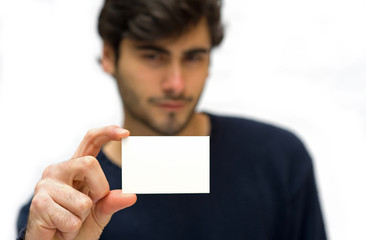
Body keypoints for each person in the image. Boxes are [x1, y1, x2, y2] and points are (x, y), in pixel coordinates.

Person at [16, 0, 327, 239]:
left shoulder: (278, 159)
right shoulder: (65, 212)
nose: (176, 83)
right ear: (109, 56)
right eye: (153, 56)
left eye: (193, 57)